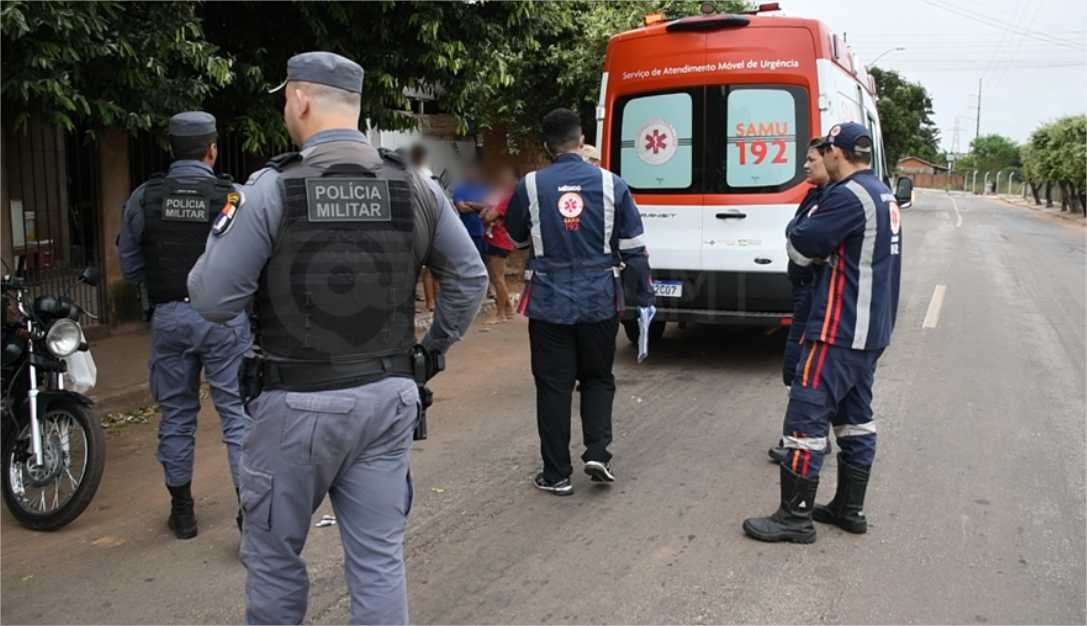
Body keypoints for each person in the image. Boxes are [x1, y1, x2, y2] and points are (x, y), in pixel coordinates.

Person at [187, 52, 487, 624]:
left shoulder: (270, 189)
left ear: (298, 99)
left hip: (294, 404)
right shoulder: (414, 185)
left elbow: (212, 299)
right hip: (388, 397)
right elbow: (469, 278)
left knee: (274, 561)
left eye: (284, 99)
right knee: (378, 563)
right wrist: (431, 351)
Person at [743, 122, 902, 543]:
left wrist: (797, 234)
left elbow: (802, 245)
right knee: (855, 420)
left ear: (838, 153)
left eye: (827, 150)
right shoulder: (882, 193)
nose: (824, 157)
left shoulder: (848, 196)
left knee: (805, 418)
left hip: (838, 328)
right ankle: (850, 508)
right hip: (870, 329)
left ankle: (794, 517)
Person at [116, 111, 251, 540]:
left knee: (176, 415)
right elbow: (254, 260)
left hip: (170, 316)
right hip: (224, 318)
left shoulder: (145, 196)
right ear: (212, 149)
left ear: (171, 149)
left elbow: (131, 266)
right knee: (237, 416)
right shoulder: (231, 196)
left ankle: (184, 514)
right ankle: (249, 516)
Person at [506, 108, 652, 495]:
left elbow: (517, 236)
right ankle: (598, 453)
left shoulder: (530, 185)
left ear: (546, 145)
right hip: (599, 299)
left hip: (549, 301)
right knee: (598, 377)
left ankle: (556, 474)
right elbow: (633, 247)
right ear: (582, 138)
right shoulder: (611, 183)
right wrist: (643, 298)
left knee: (553, 386)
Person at [768, 138, 831, 464]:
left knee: (800, 366)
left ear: (830, 160)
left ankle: (804, 437)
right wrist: (797, 231)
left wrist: (798, 232)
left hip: (815, 291)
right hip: (802, 290)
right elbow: (795, 230)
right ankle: (805, 433)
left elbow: (806, 240)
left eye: (811, 160)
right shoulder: (813, 195)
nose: (805, 166)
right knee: (795, 366)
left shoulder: (834, 199)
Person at [481, 164, 517, 320]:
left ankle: (500, 313)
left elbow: (488, 216)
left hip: (499, 239)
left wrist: (489, 214)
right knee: (497, 276)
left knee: (497, 277)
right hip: (497, 238)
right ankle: (508, 310)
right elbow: (485, 212)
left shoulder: (507, 196)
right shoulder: (502, 195)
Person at [452, 158, 490, 259]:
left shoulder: (484, 187)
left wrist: (470, 203)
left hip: (482, 233)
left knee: (482, 261)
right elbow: (462, 208)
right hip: (465, 233)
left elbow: (489, 206)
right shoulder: (460, 188)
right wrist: (480, 206)